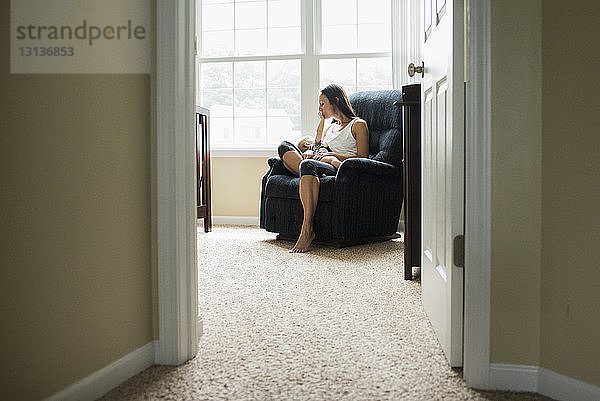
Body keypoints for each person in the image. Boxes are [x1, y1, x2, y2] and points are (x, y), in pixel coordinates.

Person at [277, 84, 369, 253]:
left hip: (339, 167)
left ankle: (307, 229)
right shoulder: (331, 127)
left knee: (307, 165)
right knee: (284, 147)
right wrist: (312, 152)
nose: (319, 108)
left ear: (335, 101)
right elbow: (319, 144)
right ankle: (311, 176)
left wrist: (333, 158)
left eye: (322, 103)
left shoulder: (358, 125)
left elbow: (363, 158)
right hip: (320, 162)